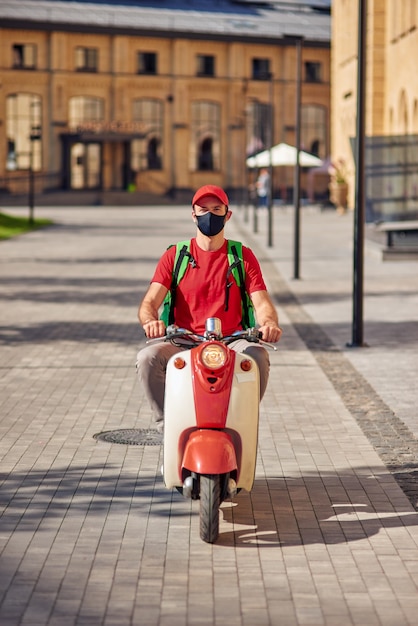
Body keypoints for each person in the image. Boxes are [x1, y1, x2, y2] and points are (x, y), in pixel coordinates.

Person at [136, 184, 282, 429]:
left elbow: (262, 302)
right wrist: (151, 322)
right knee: (148, 357)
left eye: (216, 209)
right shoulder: (176, 255)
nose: (209, 216)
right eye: (203, 210)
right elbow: (150, 302)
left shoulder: (241, 256)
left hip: (230, 340)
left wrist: (269, 324)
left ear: (228, 215)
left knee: (258, 356)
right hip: (184, 339)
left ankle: (243, 422)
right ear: (193, 215)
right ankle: (167, 425)